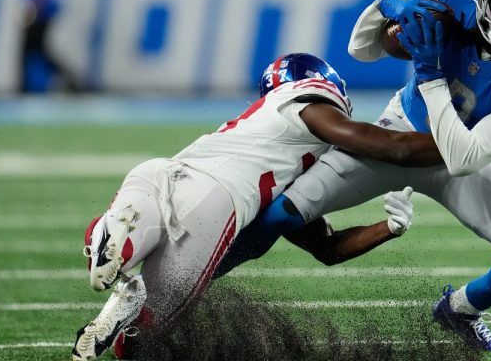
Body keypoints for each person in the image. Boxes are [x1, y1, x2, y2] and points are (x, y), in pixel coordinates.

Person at [241, 0, 491, 352]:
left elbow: (462, 158)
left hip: (460, 159)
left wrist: (431, 74)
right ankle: (182, 289)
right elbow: (361, 49)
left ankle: (458, 310)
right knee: (279, 216)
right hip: (397, 132)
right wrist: (385, 5)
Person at [72, 53, 442, 361]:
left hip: (159, 173)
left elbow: (324, 245)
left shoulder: (265, 132)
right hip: (216, 205)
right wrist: (461, 150)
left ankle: (115, 242)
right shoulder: (310, 107)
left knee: (118, 243)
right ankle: (133, 300)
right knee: (138, 345)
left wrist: (387, 227)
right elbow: (394, 147)